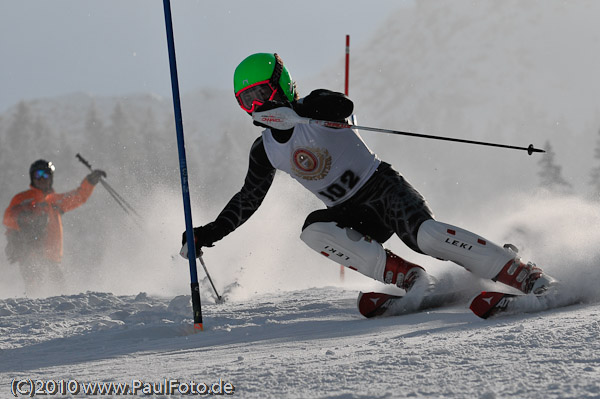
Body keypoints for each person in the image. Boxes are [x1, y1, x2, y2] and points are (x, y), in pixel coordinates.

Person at [182, 52, 556, 302]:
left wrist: (302, 111)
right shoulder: (265, 149)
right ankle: (410, 279)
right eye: (247, 101)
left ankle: (523, 274)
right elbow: (247, 200)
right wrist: (207, 233)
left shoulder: (314, 106)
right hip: (351, 212)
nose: (257, 106)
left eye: (262, 93)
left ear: (282, 84)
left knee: (424, 235)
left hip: (382, 188)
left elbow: (343, 105)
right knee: (313, 230)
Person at [3, 159, 106, 292]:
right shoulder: (23, 198)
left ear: (51, 178)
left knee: (60, 291)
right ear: (32, 177)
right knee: (35, 288)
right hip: (30, 254)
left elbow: (78, 196)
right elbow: (7, 218)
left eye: (45, 175)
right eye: (38, 174)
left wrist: (90, 181)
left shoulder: (54, 201)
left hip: (51, 256)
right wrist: (24, 219)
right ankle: (31, 311)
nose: (41, 178)